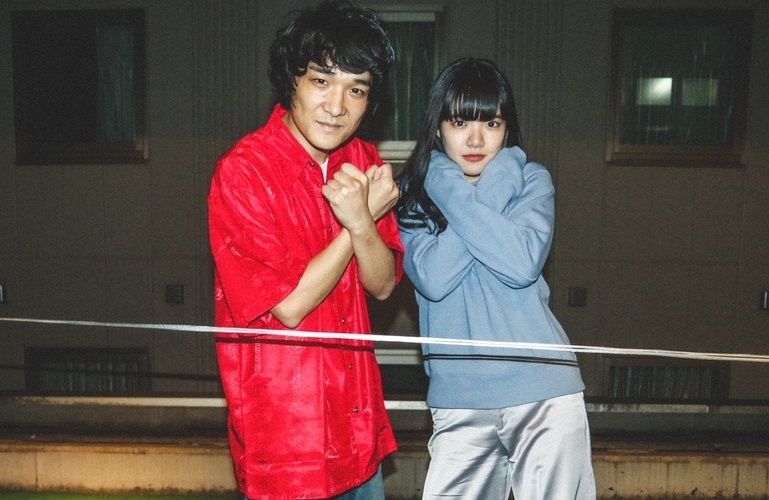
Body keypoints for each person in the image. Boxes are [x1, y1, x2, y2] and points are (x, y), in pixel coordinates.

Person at [207, 2, 403, 498]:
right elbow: (290, 306)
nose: (337, 106)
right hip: (287, 441)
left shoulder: (364, 158)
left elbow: (383, 285)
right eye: (321, 81)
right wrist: (357, 223)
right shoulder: (244, 172)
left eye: (356, 89)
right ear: (290, 81)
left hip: (357, 431)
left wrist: (363, 221)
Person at [396, 58, 596, 500]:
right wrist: (455, 185)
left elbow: (521, 263)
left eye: (491, 123)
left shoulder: (531, 180)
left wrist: (459, 189)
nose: (475, 139)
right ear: (438, 128)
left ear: (507, 129)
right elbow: (434, 277)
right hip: (459, 398)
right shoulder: (412, 197)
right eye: (459, 122)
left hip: (544, 389)